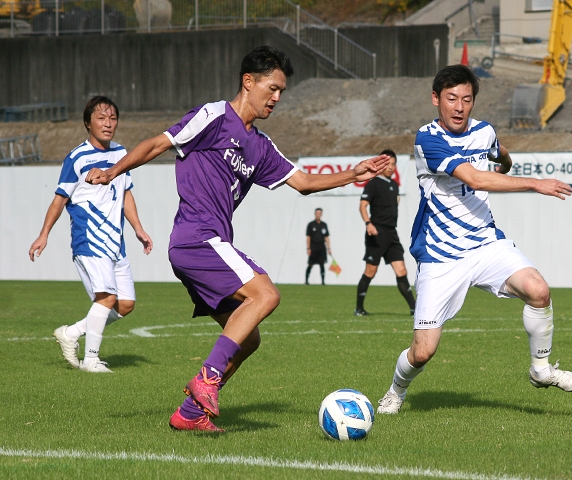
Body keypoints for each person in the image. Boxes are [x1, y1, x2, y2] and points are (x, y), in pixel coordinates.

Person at [84, 46, 390, 432]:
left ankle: (190, 413)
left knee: (248, 340)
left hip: (209, 244)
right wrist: (112, 171)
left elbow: (305, 183)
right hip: (195, 237)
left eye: (282, 91)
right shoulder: (213, 116)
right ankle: (207, 378)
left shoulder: (260, 146)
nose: (277, 98)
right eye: (272, 88)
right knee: (266, 295)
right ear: (249, 81)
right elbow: (158, 144)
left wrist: (353, 172)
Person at [377, 65, 572, 415]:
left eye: (466, 99)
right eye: (451, 98)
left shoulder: (484, 131)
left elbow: (496, 152)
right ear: (436, 99)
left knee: (538, 289)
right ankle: (396, 391)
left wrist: (504, 160)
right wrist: (535, 183)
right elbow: (474, 178)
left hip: (486, 243)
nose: (459, 107)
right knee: (423, 350)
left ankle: (541, 370)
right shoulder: (427, 139)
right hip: (441, 254)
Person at [29, 96, 153, 373]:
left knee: (126, 304)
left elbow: (126, 194)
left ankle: (71, 333)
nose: (108, 124)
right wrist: (43, 234)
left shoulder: (121, 153)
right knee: (106, 298)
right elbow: (59, 200)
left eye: (112, 118)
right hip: (89, 239)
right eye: (101, 118)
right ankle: (91, 360)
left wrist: (138, 229)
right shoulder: (76, 158)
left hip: (115, 242)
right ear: (88, 123)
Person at [355, 149, 415, 316]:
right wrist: (368, 223)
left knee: (401, 271)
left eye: (393, 164)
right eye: (388, 164)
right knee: (370, 271)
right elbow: (362, 205)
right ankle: (359, 308)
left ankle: (414, 308)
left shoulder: (394, 185)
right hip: (376, 233)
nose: (391, 167)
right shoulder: (373, 183)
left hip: (391, 234)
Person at [305, 208, 331, 285]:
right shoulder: (311, 224)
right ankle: (306, 280)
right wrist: (308, 248)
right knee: (311, 263)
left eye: (319, 213)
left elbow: (326, 237)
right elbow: (308, 237)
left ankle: (323, 282)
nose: (318, 215)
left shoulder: (324, 225)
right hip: (313, 246)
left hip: (321, 246)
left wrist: (329, 248)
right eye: (317, 213)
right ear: (315, 214)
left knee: (322, 264)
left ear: (321, 214)